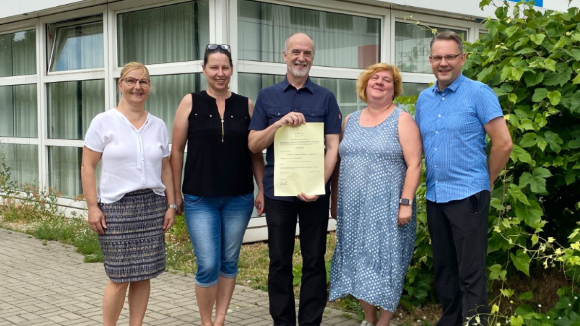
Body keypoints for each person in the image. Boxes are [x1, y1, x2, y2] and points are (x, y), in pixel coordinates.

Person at [415, 31, 513, 326]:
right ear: (430, 61)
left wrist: (488, 180)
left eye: (450, 57)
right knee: (444, 269)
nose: (443, 63)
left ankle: (475, 323)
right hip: (435, 195)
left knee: (470, 272)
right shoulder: (424, 99)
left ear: (462, 59)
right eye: (438, 57)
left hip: (468, 195)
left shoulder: (479, 93)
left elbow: (503, 143)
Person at [248, 32, 342, 326]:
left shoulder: (326, 97)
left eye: (307, 53)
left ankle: (311, 321)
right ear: (285, 56)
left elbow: (333, 147)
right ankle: (284, 322)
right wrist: (278, 123)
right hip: (279, 192)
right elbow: (253, 145)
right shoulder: (267, 96)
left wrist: (318, 184)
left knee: (314, 260)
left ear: (312, 58)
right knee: (279, 262)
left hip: (315, 194)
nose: (301, 57)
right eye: (296, 52)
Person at [170, 44, 265, 326]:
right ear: (204, 70)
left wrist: (262, 188)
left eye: (225, 67)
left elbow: (254, 152)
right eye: (214, 67)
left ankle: (220, 319)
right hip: (200, 198)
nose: (220, 73)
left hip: (239, 197)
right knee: (208, 264)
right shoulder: (191, 102)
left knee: (229, 262)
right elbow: (176, 150)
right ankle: (205, 321)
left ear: (232, 70)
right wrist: (175, 192)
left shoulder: (246, 104)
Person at [81, 62, 177, 326]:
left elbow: (165, 166)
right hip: (116, 208)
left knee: (144, 274)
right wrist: (92, 206)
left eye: (143, 82)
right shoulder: (103, 122)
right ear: (120, 84)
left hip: (151, 206)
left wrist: (171, 204)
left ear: (149, 87)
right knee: (119, 276)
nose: (138, 87)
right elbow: (87, 165)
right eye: (132, 81)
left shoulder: (158, 125)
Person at [329, 63, 422, 326]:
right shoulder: (350, 121)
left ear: (394, 89)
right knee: (358, 262)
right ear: (365, 85)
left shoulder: (402, 119)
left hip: (389, 208)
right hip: (354, 209)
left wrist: (406, 203)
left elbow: (415, 164)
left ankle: (383, 321)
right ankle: (369, 319)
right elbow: (339, 164)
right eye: (375, 78)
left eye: (387, 80)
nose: (380, 82)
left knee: (387, 265)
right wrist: (335, 201)